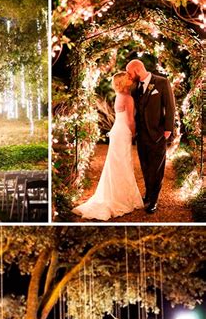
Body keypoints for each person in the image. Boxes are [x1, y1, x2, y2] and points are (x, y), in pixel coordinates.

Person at [73, 71, 143, 220]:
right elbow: (130, 120)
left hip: (117, 130)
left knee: (115, 163)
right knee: (123, 163)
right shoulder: (128, 98)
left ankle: (116, 194)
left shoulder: (119, 96)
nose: (131, 78)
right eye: (128, 77)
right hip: (123, 131)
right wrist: (134, 132)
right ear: (123, 82)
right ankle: (122, 198)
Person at [126, 59, 175, 213]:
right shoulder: (135, 87)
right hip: (141, 135)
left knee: (156, 169)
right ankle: (148, 194)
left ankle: (153, 200)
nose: (129, 76)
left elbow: (170, 107)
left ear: (137, 69)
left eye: (129, 72)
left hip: (158, 133)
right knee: (146, 167)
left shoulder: (161, 82)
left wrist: (168, 129)